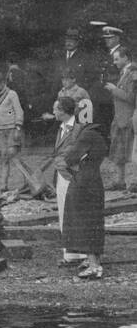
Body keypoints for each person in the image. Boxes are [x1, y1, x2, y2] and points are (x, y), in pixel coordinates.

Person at [62, 119, 108, 279]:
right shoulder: (98, 134)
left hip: (83, 180)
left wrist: (69, 152)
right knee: (94, 220)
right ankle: (93, 260)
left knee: (83, 220)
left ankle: (94, 265)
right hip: (95, 179)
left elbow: (69, 158)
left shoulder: (86, 135)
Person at [48, 97, 85, 270]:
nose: (54, 112)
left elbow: (77, 152)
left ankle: (82, 253)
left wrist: (66, 165)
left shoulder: (77, 129)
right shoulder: (61, 128)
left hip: (71, 175)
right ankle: (69, 253)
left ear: (63, 111)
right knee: (64, 213)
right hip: (61, 174)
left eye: (56, 109)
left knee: (75, 213)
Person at [0, 69, 36, 197]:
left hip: (12, 129)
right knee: (4, 158)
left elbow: (19, 111)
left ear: (3, 82)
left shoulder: (11, 94)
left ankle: (29, 180)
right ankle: (3, 185)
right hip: (0, 131)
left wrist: (18, 128)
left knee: (13, 156)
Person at [102, 46, 135, 181]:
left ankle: (130, 182)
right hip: (120, 118)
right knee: (119, 151)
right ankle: (121, 181)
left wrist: (114, 90)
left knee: (129, 151)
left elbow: (131, 98)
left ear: (125, 57)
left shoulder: (133, 73)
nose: (114, 62)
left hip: (128, 118)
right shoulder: (124, 72)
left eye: (117, 59)